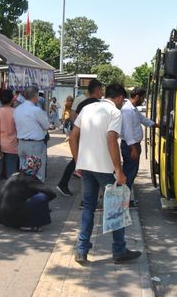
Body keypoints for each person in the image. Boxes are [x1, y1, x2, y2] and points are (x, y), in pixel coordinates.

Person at [69, 83, 142, 265]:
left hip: (86, 166)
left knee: (88, 208)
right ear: (118, 98)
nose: (121, 104)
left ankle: (82, 250)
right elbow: (111, 139)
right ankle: (119, 250)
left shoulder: (88, 108)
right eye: (122, 100)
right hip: (105, 169)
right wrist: (119, 170)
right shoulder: (114, 113)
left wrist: (78, 161)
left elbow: (73, 137)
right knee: (116, 208)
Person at [56, 79, 103, 196]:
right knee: (78, 161)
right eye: (101, 90)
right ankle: (64, 184)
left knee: (77, 161)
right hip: (83, 137)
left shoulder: (85, 102)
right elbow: (74, 117)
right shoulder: (83, 101)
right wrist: (77, 134)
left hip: (82, 136)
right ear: (97, 90)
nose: (102, 93)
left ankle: (64, 184)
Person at [0, 155, 57, 232]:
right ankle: (27, 224)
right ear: (37, 167)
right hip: (10, 216)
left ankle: (17, 220)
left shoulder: (14, 175)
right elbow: (51, 193)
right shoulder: (30, 179)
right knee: (42, 197)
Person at [120, 87, 155, 207]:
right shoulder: (127, 111)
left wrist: (155, 124)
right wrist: (134, 149)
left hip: (133, 145)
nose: (144, 100)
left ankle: (126, 199)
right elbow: (128, 131)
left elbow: (142, 119)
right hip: (131, 146)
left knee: (131, 173)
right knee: (129, 174)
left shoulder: (133, 109)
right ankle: (124, 201)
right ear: (137, 97)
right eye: (143, 97)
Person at [14, 86, 51, 182]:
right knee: (37, 175)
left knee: (24, 173)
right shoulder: (36, 110)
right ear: (35, 95)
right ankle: (35, 195)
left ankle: (24, 194)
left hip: (21, 144)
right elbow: (46, 125)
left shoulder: (17, 109)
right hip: (34, 145)